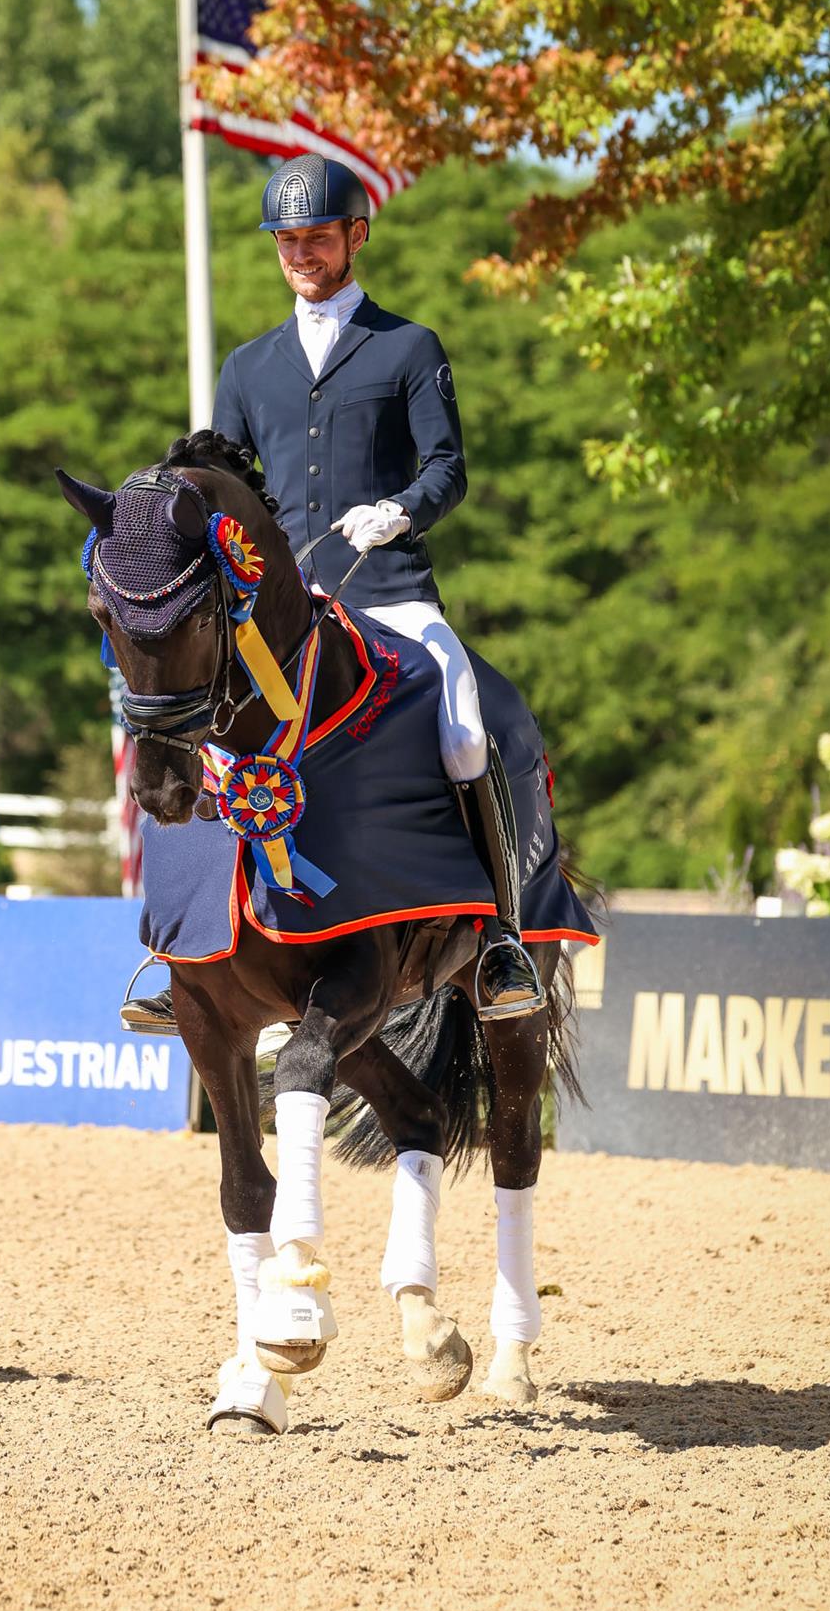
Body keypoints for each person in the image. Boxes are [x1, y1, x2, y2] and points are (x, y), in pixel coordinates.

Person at [123, 151, 543, 1030]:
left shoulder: (406, 347)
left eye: (315, 236)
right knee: (200, 732)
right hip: (279, 612)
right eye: (286, 239)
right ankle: (184, 956)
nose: (299, 253)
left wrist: (399, 510)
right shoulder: (248, 365)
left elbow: (448, 467)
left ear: (355, 235)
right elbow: (223, 477)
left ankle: (501, 934)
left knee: (465, 723)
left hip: (388, 590)